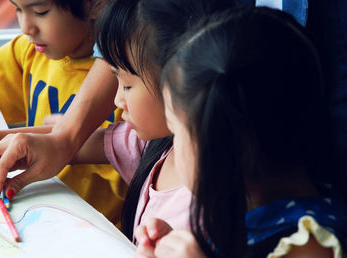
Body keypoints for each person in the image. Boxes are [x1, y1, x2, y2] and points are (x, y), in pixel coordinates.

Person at [135, 7, 347, 258]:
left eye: (175, 131)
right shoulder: (240, 211)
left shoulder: (311, 246)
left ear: (216, 147)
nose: (172, 146)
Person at [0, 0, 126, 226]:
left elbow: (123, 148)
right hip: (38, 223)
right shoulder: (29, 52)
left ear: (97, 5)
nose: (25, 27)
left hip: (102, 232)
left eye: (41, 12)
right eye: (18, 9)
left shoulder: (128, 83)